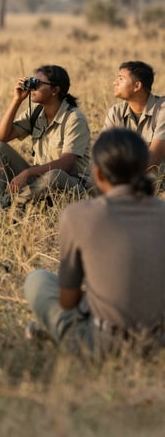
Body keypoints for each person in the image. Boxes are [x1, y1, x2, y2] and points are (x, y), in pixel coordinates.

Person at [24, 128, 165, 358]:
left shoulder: (78, 215)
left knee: (37, 280)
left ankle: (62, 336)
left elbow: (67, 301)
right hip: (158, 343)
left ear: (98, 175)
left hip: (103, 345)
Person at [0, 64, 90, 208]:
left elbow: (66, 164)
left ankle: (7, 205)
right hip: (39, 184)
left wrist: (28, 172)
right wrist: (17, 100)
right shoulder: (36, 113)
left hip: (70, 186)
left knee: (54, 175)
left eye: (38, 84)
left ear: (55, 90)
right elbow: (1, 138)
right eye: (33, 82)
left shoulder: (74, 118)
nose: (33, 88)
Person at [103, 61, 165, 175]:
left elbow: (154, 157)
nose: (114, 82)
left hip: (154, 177)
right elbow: (104, 152)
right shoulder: (116, 112)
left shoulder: (162, 110)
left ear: (137, 86)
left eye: (121, 79)